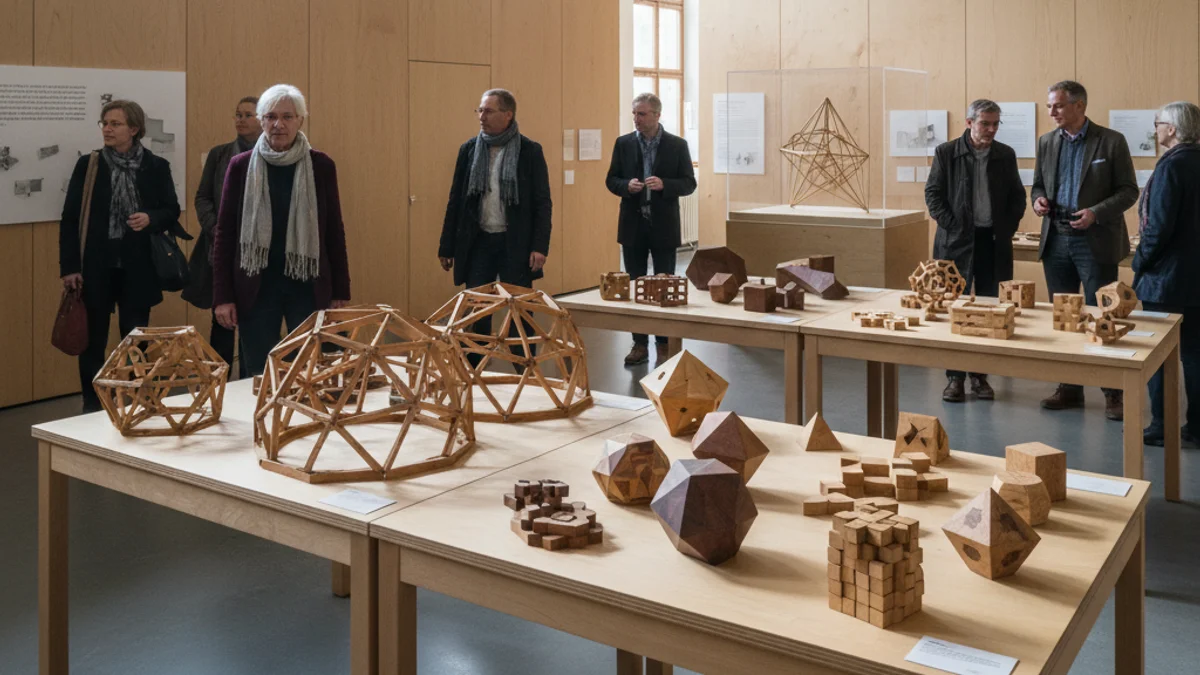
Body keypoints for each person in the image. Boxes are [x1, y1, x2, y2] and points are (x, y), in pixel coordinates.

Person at [211, 84, 351, 376]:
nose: (279, 124)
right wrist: (222, 296)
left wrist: (340, 291)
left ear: (300, 120)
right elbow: (225, 234)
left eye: (288, 116)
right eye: (271, 116)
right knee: (259, 372)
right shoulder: (240, 166)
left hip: (307, 284)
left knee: (310, 370)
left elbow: (334, 231)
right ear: (261, 120)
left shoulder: (321, 165)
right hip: (256, 284)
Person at [59, 99, 182, 413]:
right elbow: (71, 218)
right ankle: (92, 404)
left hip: (138, 268)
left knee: (135, 339)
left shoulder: (155, 166)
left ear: (134, 129)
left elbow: (171, 210)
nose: (108, 129)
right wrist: (69, 267)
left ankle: (132, 401)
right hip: (96, 267)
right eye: (104, 123)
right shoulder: (89, 165)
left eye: (115, 124)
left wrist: (150, 218)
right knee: (92, 341)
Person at [1031, 80, 1138, 420]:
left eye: (1058, 106)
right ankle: (1070, 387)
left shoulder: (1111, 141)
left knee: (1102, 314)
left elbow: (1128, 191)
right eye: (1050, 106)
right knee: (1065, 317)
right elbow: (1037, 185)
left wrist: (1096, 213)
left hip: (1096, 241)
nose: (1051, 112)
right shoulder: (1047, 142)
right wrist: (1037, 200)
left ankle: (1112, 392)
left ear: (1079, 106)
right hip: (1056, 239)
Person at [437, 88, 552, 363]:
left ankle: (525, 370)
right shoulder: (469, 150)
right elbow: (456, 200)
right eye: (480, 110)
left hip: (516, 243)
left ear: (508, 114)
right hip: (479, 242)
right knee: (477, 310)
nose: (481, 116)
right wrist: (446, 245)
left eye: (488, 111)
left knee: (520, 312)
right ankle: (474, 371)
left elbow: (542, 203)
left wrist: (539, 246)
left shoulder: (530, 151)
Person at [925, 99, 1027, 402]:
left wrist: (1006, 228)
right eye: (985, 123)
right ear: (969, 123)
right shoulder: (947, 152)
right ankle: (954, 378)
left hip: (992, 242)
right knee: (954, 310)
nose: (991, 129)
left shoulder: (1005, 154)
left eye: (996, 123)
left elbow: (1017, 196)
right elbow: (933, 195)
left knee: (987, 310)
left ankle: (980, 377)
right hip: (955, 242)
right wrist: (954, 226)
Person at [605, 92, 696, 366]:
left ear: (657, 115)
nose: (636, 119)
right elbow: (611, 179)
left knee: (664, 286)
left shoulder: (676, 145)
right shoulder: (623, 144)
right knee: (635, 286)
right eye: (634, 113)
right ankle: (639, 344)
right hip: (633, 225)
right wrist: (626, 186)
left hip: (664, 226)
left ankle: (665, 342)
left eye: (642, 114)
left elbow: (689, 183)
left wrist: (665, 185)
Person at [1134, 101, 1200, 446]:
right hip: (1195, 278)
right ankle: (1197, 427)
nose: (1156, 129)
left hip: (1167, 281)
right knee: (1195, 354)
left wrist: (1139, 261)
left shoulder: (1171, 167)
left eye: (1158, 123)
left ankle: (1162, 425)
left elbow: (1157, 228)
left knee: (1157, 355)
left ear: (1172, 129)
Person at [184, 95, 259, 377]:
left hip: (258, 251)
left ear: (262, 119)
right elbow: (203, 197)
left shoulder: (273, 154)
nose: (240, 120)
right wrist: (215, 227)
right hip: (221, 248)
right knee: (223, 320)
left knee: (257, 319)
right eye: (237, 114)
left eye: (247, 115)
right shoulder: (220, 154)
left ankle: (252, 381)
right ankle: (221, 386)